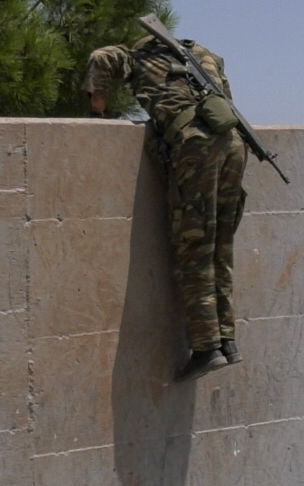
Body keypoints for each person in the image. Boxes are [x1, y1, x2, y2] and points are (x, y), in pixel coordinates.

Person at [84, 29, 247, 382]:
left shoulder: (135, 55)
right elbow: (227, 100)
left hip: (195, 146)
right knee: (220, 245)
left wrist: (98, 109)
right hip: (233, 143)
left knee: (195, 249)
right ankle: (227, 340)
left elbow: (100, 58)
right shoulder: (205, 55)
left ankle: (206, 348)